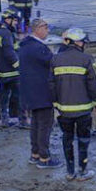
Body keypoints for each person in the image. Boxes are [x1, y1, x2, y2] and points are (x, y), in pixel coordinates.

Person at [48, 28, 96, 181]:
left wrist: (56, 104)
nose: (84, 44)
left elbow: (51, 85)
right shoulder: (87, 59)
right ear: (78, 42)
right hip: (84, 110)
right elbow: (95, 85)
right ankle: (82, 171)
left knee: (67, 139)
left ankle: (70, 172)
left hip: (64, 110)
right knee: (83, 140)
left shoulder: (55, 59)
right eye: (83, 41)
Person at [19, 18, 62, 169]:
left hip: (30, 93)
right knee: (45, 125)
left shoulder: (25, 45)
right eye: (45, 27)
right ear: (37, 29)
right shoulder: (37, 48)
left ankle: (35, 154)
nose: (48, 30)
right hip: (41, 93)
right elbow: (54, 61)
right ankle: (44, 158)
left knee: (36, 124)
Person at [0, 8, 29, 129]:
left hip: (1, 73)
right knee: (20, 96)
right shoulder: (6, 33)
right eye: (15, 20)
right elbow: (9, 53)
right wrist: (20, 67)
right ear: (8, 20)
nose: (16, 23)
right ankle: (23, 121)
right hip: (12, 72)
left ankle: (4, 120)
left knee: (3, 97)